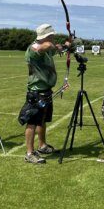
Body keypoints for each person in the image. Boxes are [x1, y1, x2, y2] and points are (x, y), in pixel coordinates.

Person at [18, 24, 70, 164]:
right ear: (46, 37)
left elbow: (52, 48)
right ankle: (29, 153)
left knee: (42, 120)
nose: (53, 38)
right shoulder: (34, 48)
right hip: (36, 92)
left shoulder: (47, 48)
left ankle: (42, 146)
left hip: (46, 91)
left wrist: (65, 46)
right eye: (51, 36)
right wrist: (53, 44)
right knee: (32, 122)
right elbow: (43, 47)